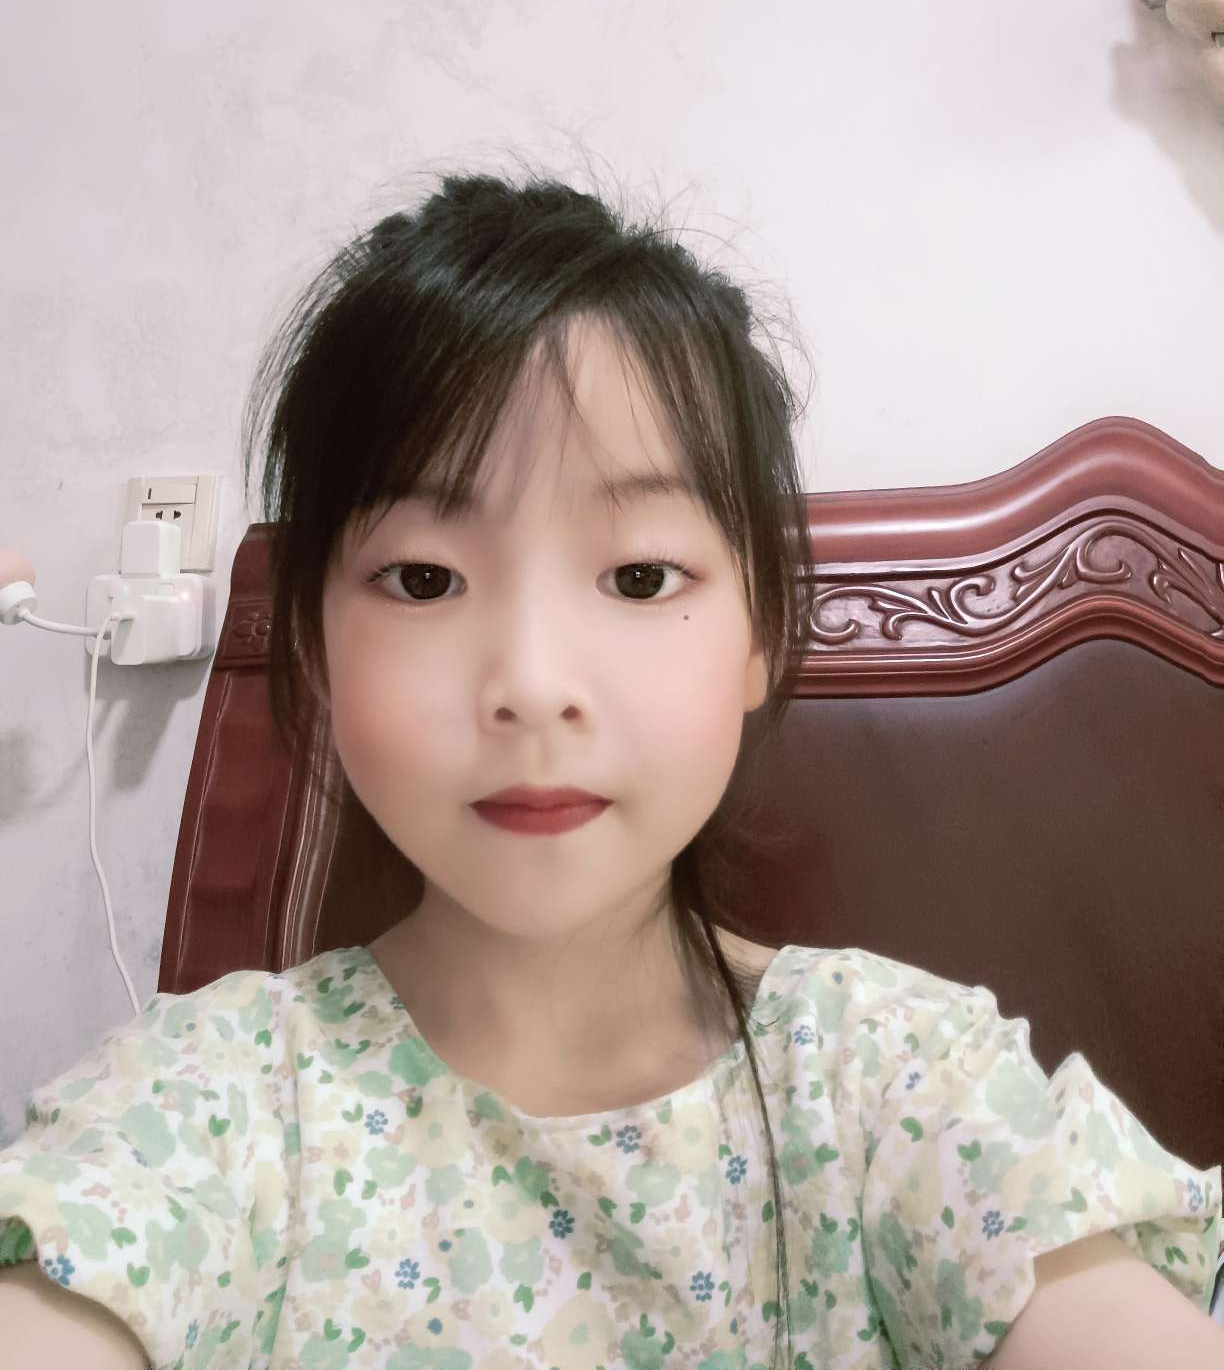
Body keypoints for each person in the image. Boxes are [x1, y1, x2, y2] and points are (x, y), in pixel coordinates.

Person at [0, 160, 1220, 1370]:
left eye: (640, 577)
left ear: (761, 633)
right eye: (423, 578)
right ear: (315, 650)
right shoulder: (215, 1109)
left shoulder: (897, 1085)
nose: (533, 684)